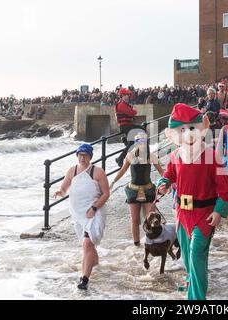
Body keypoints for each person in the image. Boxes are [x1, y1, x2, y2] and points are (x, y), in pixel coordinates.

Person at [157, 103, 228, 300]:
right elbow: (169, 174)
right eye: (182, 130)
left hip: (204, 215)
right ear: (174, 134)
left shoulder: (212, 155)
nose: (188, 135)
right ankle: (192, 280)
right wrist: (163, 183)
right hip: (182, 213)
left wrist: (219, 211)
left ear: (200, 129)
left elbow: (225, 189)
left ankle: (196, 299)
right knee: (188, 258)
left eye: (192, 129)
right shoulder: (175, 155)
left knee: (197, 252)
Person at [53, 144, 110, 290]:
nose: (82, 158)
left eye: (85, 155)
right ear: (77, 156)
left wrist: (94, 208)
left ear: (90, 157)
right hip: (78, 214)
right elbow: (64, 187)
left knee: (87, 244)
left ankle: (84, 279)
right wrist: (60, 191)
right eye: (80, 155)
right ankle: (95, 264)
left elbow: (106, 194)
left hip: (95, 212)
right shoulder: (72, 170)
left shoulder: (97, 172)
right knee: (88, 245)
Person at [110, 133, 165, 246]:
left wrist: (167, 182)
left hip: (148, 189)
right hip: (133, 190)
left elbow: (161, 171)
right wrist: (113, 182)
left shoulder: (151, 156)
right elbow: (122, 170)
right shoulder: (130, 156)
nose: (141, 144)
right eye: (138, 142)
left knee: (152, 218)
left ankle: (152, 241)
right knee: (134, 220)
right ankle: (136, 244)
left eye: (143, 142)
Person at [114, 87, 144, 167]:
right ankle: (120, 158)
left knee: (142, 129)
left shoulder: (125, 104)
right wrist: (134, 111)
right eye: (125, 95)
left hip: (128, 125)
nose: (127, 96)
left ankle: (126, 141)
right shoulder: (121, 105)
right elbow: (131, 113)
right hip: (125, 126)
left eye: (127, 95)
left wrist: (133, 112)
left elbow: (131, 113)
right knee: (132, 142)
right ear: (121, 96)